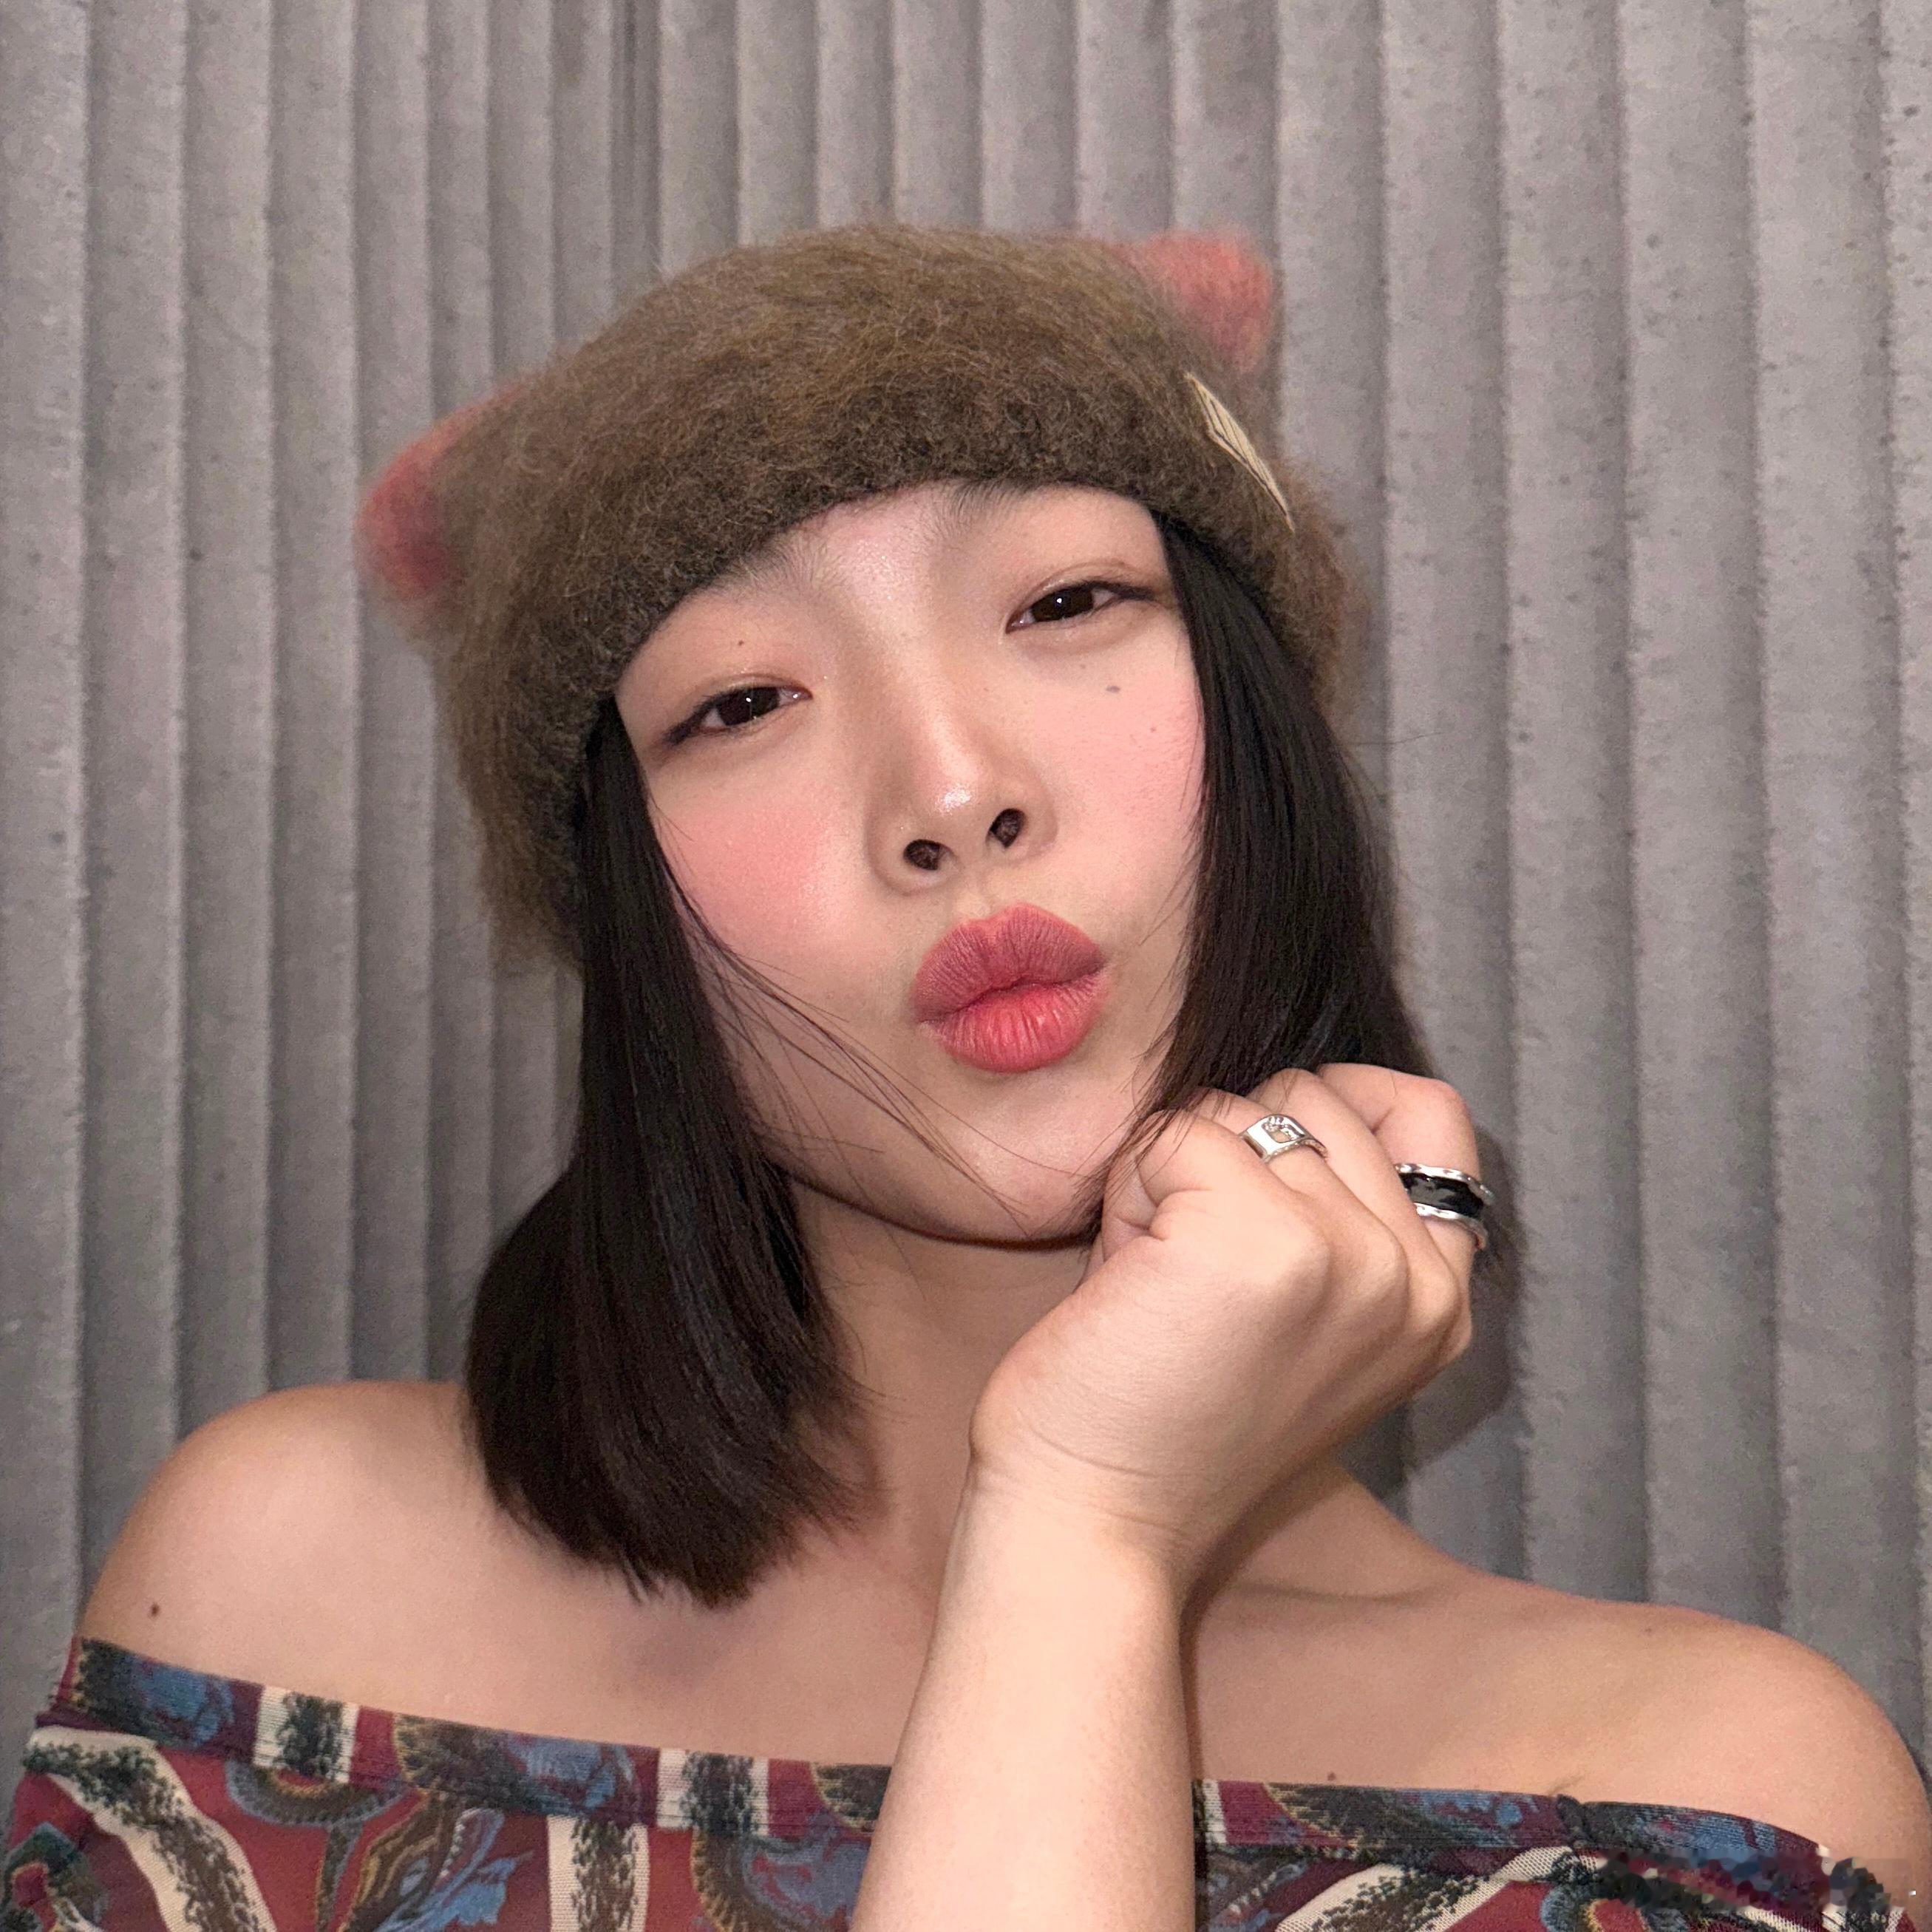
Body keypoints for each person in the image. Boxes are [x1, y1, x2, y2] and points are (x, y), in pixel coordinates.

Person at [4, 223, 1928, 1932]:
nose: (949, 790)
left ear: (1264, 724)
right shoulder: (287, 1595)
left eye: (1065, 603)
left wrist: (1087, 1529)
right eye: (741, 701)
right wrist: (1087, 1538)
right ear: (625, 920)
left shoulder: (1698, 1802)